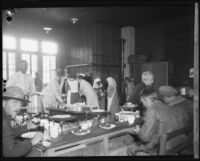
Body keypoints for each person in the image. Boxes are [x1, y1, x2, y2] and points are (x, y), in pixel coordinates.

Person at [127, 88, 186, 155]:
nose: (143, 105)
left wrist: (138, 131)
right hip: (174, 145)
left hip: (161, 149)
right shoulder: (167, 106)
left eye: (143, 102)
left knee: (130, 148)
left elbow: (145, 137)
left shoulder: (151, 110)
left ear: (147, 100)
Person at [3, 86, 43, 157]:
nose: (18, 107)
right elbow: (11, 153)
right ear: (4, 102)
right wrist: (32, 142)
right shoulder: (3, 120)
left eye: (20, 103)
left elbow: (8, 133)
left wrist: (27, 126)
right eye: (15, 102)